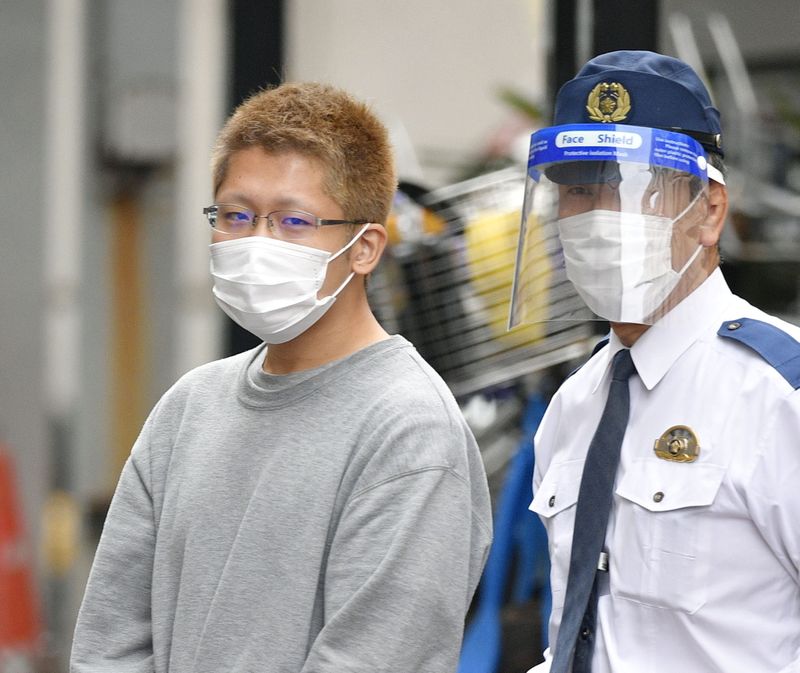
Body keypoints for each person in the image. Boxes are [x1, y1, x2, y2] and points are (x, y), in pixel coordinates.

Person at [70, 82, 492, 673]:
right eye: (236, 215)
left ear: (366, 246)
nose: (255, 242)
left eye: (293, 221)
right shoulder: (189, 407)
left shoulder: (409, 429)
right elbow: (110, 643)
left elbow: (374, 658)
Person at [509, 51, 800, 672]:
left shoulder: (778, 394)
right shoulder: (576, 402)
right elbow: (585, 636)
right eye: (578, 189)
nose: (595, 216)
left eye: (628, 187)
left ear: (710, 213)